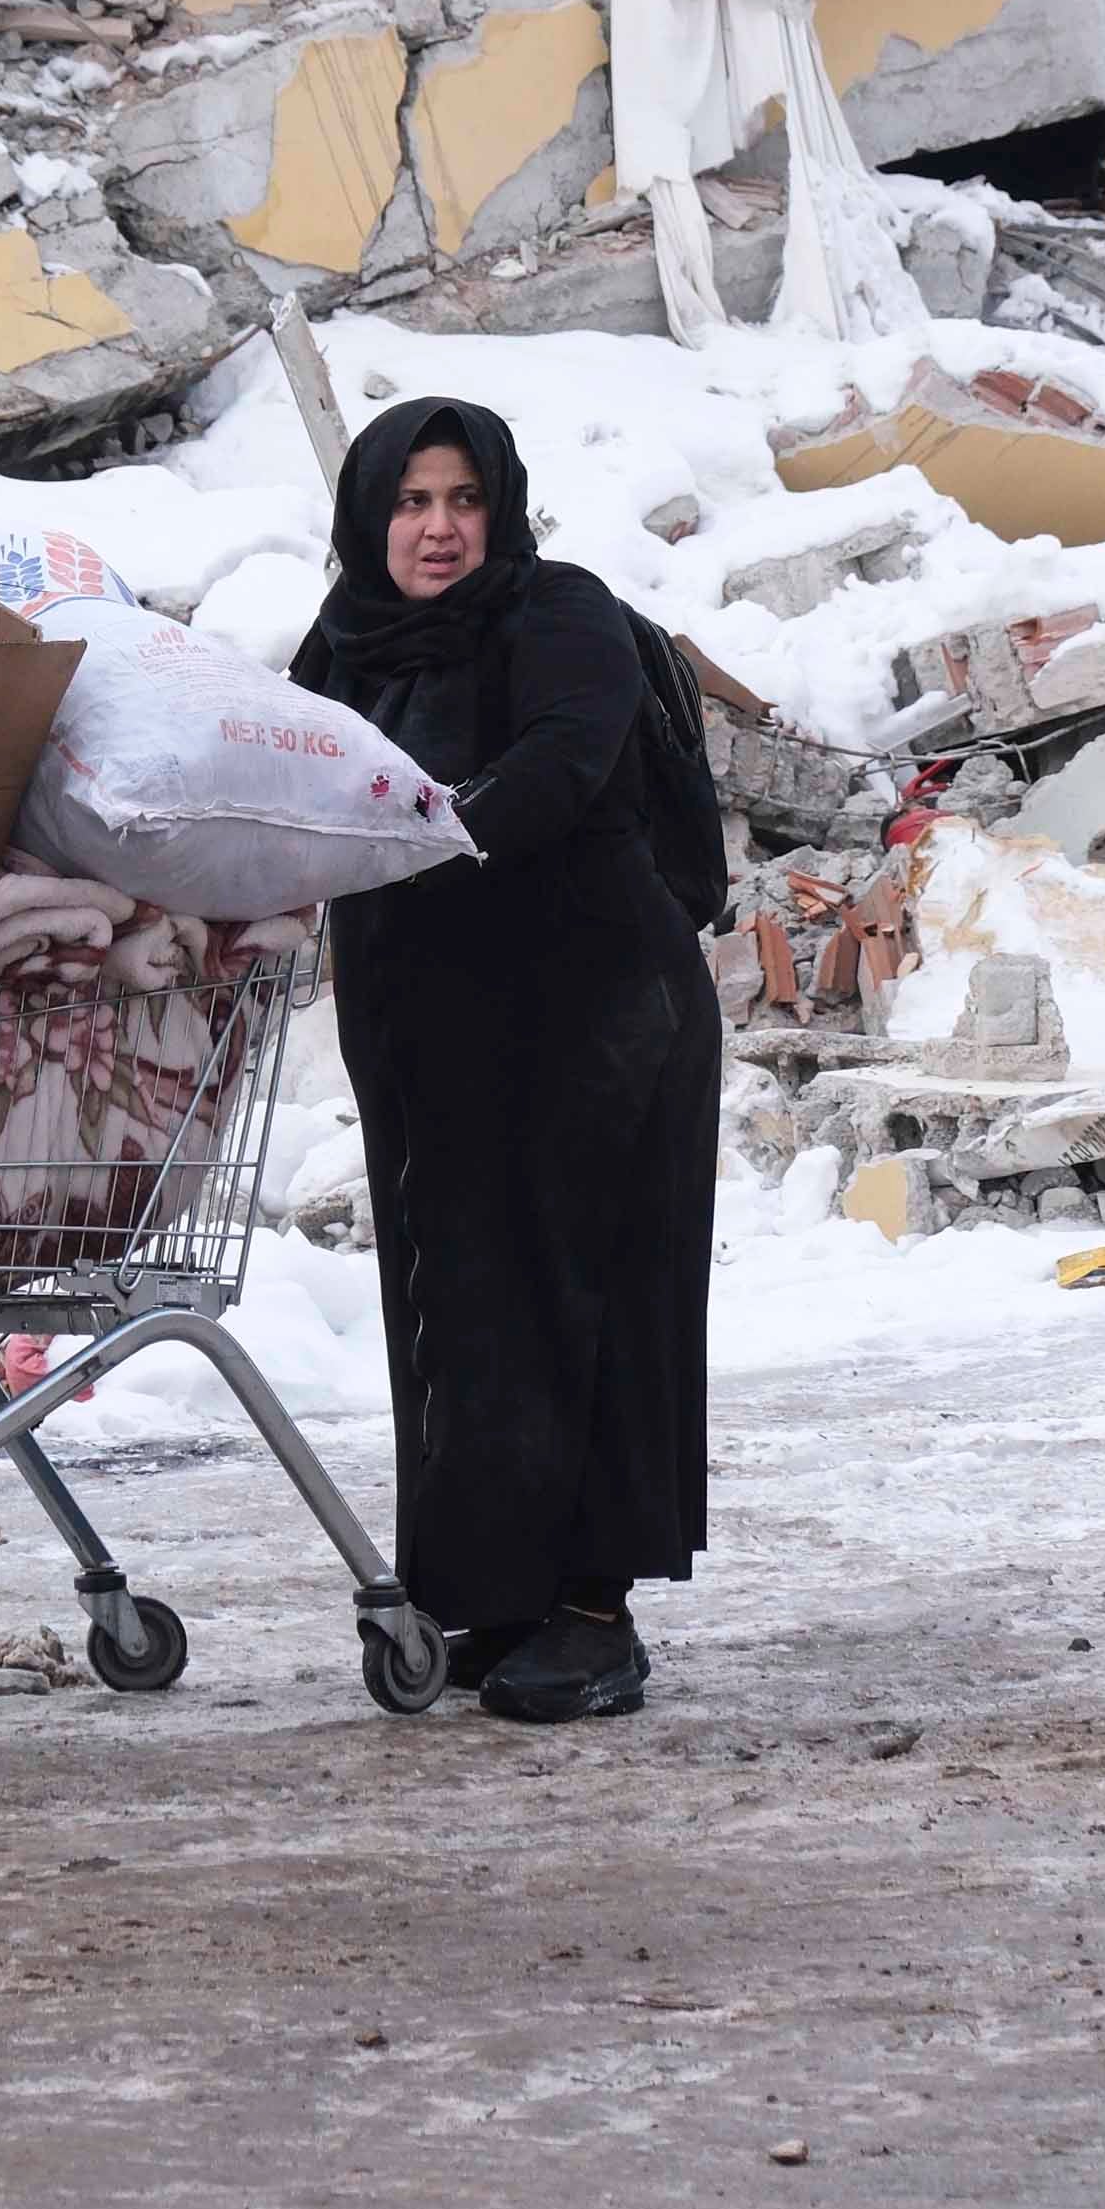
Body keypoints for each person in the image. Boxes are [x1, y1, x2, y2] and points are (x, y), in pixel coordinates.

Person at [288, 397, 718, 1721]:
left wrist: (428, 828)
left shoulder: (560, 615)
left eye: (463, 500)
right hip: (431, 1024)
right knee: (461, 1300)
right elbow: (285, 776)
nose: (438, 529)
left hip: (594, 1014)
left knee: (585, 1295)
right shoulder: (341, 644)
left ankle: (596, 1613)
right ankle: (502, 1592)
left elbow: (567, 760)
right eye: (412, 501)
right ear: (371, 515)